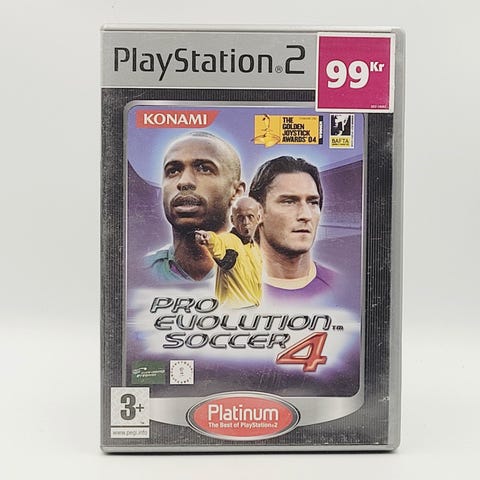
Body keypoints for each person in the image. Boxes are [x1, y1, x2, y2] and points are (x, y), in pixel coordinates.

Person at [145, 132, 245, 282]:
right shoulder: (138, 273)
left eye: (204, 169)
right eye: (173, 171)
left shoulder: (258, 271)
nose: (184, 182)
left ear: (236, 191)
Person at [249, 156, 334, 302]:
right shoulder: (224, 287)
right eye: (289, 202)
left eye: (313, 202)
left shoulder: (341, 287)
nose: (306, 215)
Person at [195, 197, 262, 308]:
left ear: (258, 218)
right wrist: (208, 238)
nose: (246, 222)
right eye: (240, 218)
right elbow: (217, 243)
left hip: (252, 309)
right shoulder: (228, 240)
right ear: (232, 220)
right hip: (234, 310)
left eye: (250, 217)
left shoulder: (255, 249)